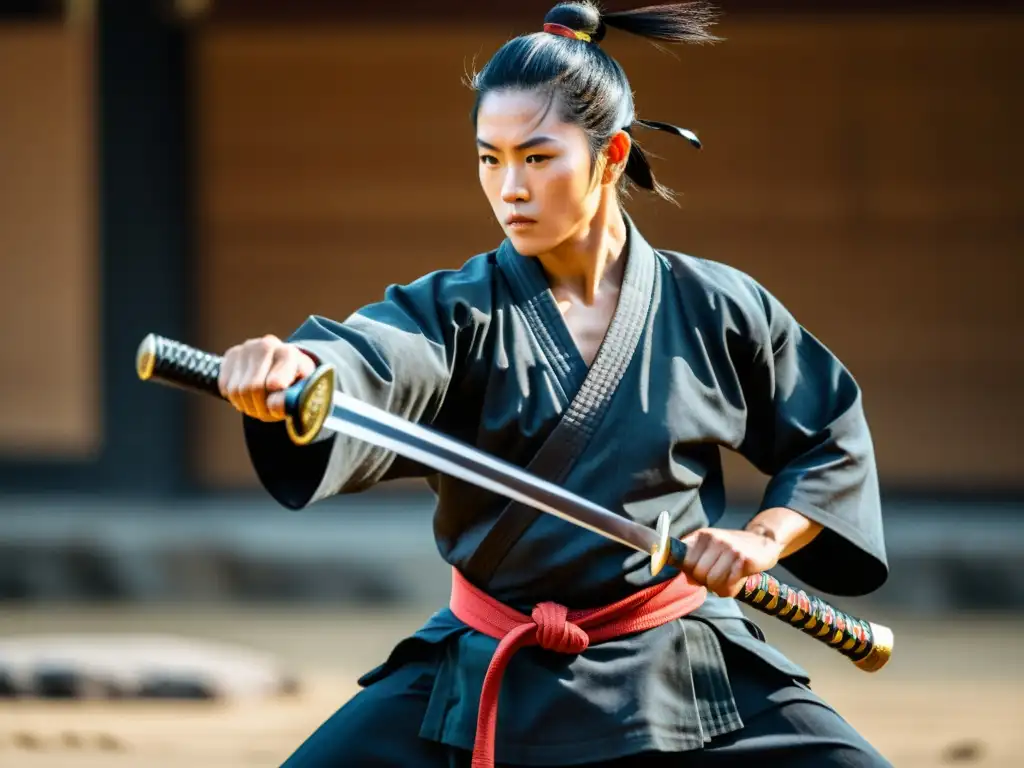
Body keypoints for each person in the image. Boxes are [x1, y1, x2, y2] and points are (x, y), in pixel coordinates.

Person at [219, 2, 892, 766]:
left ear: (610, 158)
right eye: (489, 158)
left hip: (679, 657)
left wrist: (759, 542)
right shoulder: (456, 311)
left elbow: (828, 438)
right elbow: (377, 357)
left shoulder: (717, 307)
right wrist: (301, 371)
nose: (510, 188)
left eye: (537, 158)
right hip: (490, 662)